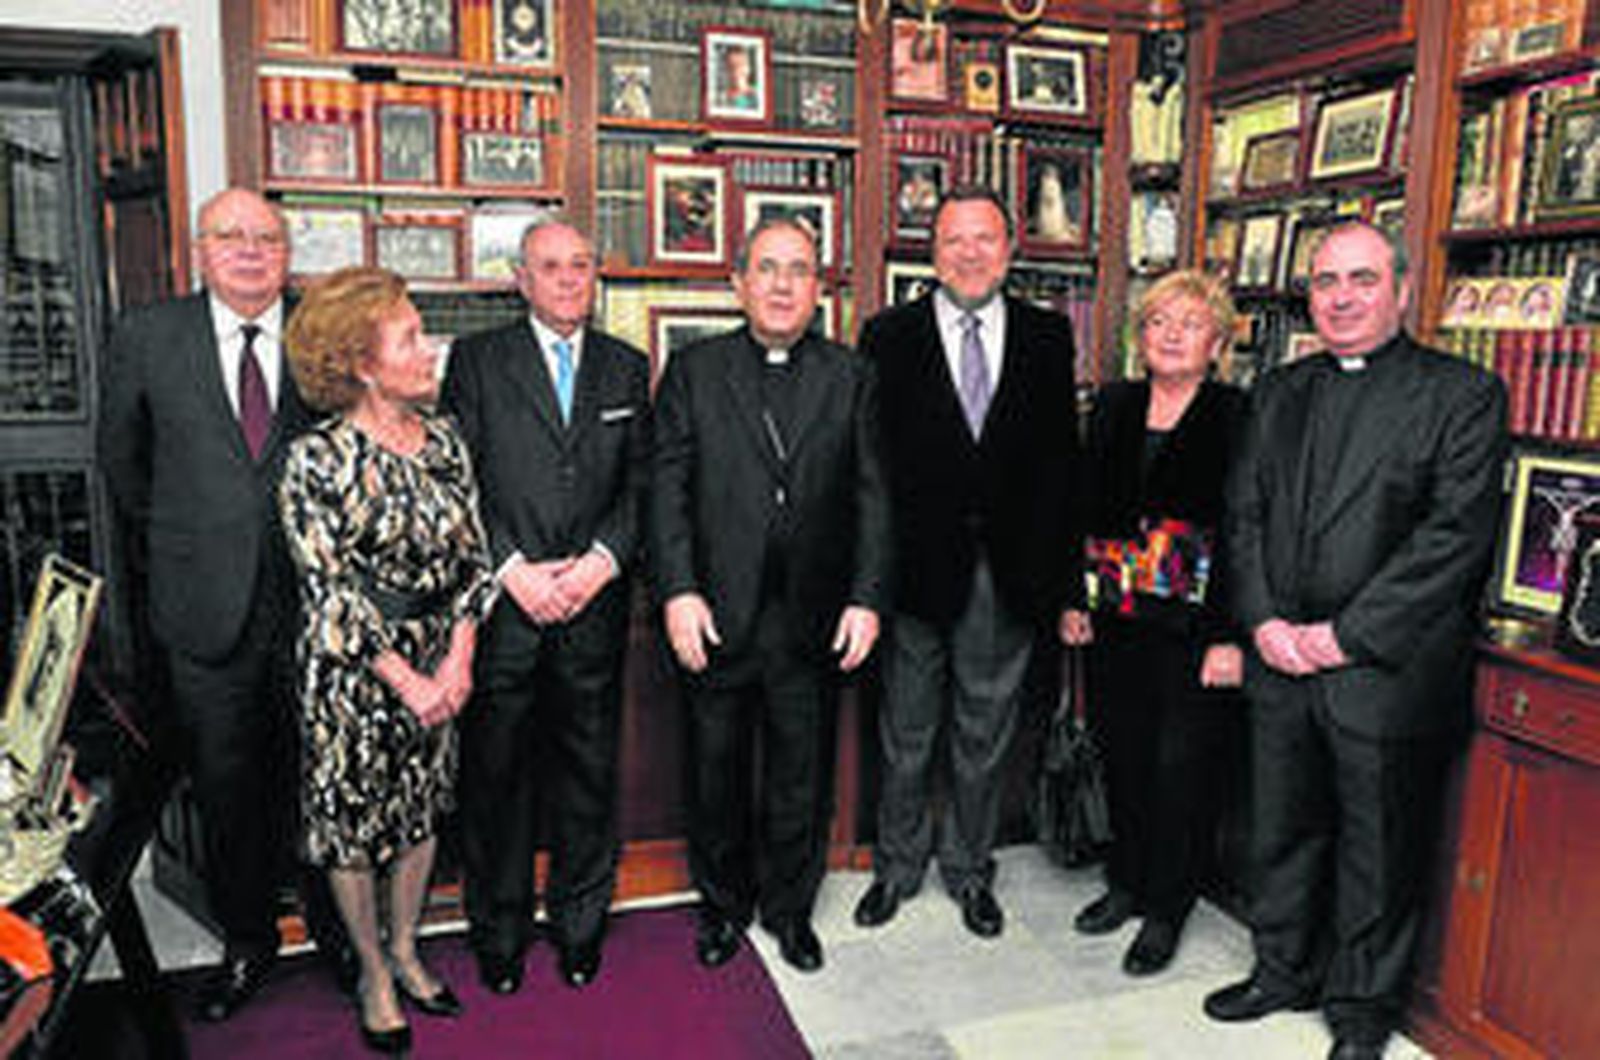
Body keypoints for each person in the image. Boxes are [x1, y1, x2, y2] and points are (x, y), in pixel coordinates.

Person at [1203, 221, 1507, 1060]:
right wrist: (1263, 619)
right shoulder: (1279, 389)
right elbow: (1246, 513)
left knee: (1378, 846)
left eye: (1361, 279)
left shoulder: (1464, 394)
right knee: (1280, 828)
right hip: (1279, 660)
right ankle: (1280, 971)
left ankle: (1362, 1012)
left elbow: (1452, 541)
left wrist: (1343, 636)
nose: (1340, 297)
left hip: (1384, 668)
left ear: (1403, 290)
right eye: (1327, 280)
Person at [98, 188, 351, 1020]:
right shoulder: (146, 337)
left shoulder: (321, 332)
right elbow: (126, 475)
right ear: (199, 249)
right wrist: (194, 545)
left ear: (287, 253)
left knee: (323, 782)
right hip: (204, 612)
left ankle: (338, 933)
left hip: (316, 607)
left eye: (267, 239)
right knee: (229, 789)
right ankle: (248, 943)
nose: (250, 251)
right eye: (231, 237)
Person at [650, 217, 888, 973]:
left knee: (800, 779)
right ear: (738, 283)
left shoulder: (852, 375)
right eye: (768, 269)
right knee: (714, 773)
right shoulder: (694, 371)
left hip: (812, 617)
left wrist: (866, 597)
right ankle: (723, 909)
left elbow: (875, 496)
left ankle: (790, 911)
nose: (784, 284)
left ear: (819, 287)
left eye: (800, 270)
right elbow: (667, 492)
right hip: (717, 613)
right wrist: (679, 591)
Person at [853, 186, 1088, 939]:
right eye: (954, 240)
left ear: (1010, 249)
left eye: (985, 239)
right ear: (933, 251)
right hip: (916, 573)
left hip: (1011, 572)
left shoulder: (1049, 337)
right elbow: (874, 466)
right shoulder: (888, 336)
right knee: (907, 730)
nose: (970, 253)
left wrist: (1061, 585)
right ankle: (896, 866)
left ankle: (969, 870)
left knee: (984, 733)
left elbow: (1059, 467)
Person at [278, 267, 493, 1053]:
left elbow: (475, 561)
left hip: (443, 669)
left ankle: (407, 948)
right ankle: (371, 969)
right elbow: (328, 590)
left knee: (420, 813)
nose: (431, 348)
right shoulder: (316, 461)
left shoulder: (446, 441)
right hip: (353, 680)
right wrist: (407, 682)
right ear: (363, 364)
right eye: (410, 338)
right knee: (353, 829)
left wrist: (458, 664)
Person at [442, 216, 650, 995]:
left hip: (594, 609)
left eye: (581, 266)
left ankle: (579, 928)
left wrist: (601, 563)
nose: (568, 279)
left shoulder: (626, 367)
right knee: (495, 780)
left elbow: (642, 484)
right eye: (550, 267)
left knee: (587, 776)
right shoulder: (478, 361)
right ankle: (498, 935)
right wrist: (511, 569)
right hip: (505, 613)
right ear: (520, 279)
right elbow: (458, 478)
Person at [1065, 270, 1247, 976]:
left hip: (1196, 628)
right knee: (1125, 755)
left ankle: (1168, 908)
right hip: (1114, 615)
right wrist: (1071, 599)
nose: (1171, 334)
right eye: (1158, 322)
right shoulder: (1113, 403)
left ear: (1218, 341)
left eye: (1190, 323)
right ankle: (1127, 883)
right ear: (1140, 337)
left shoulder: (1238, 414)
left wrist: (1231, 633)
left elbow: (1245, 528)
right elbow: (1079, 507)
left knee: (1182, 769)